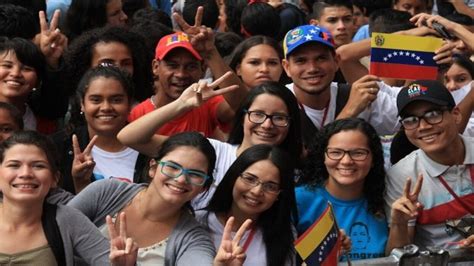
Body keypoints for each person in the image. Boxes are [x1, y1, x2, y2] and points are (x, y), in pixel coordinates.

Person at [68, 132, 250, 265]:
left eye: (195, 174)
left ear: (204, 187)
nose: (181, 179)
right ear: (153, 167)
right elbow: (54, 227)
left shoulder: (194, 239)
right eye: (172, 167)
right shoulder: (108, 191)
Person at [118, 80, 303, 209]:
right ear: (243, 116)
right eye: (258, 114)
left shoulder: (294, 176)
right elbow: (130, 137)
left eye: (279, 118)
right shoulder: (211, 151)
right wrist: (181, 104)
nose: (267, 124)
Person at [0, 130, 136, 265]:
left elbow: (111, 261)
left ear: (55, 179)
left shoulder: (67, 219)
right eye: (14, 165)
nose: (25, 174)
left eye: (38, 166)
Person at [385, 80, 474, 252]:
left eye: (433, 114)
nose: (424, 126)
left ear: (456, 114)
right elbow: (397, 257)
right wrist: (399, 224)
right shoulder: (401, 176)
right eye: (411, 120)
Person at [282, 24, 400, 145]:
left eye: (321, 58)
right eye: (301, 61)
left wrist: (417, 37)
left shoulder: (357, 95)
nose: (312, 68)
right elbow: (300, 159)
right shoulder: (276, 103)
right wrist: (350, 111)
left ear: (336, 61)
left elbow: (410, 115)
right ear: (287, 67)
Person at [296, 118, 387, 261]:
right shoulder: (299, 200)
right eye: (336, 152)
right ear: (323, 157)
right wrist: (325, 248)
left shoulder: (386, 199)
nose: (346, 161)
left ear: (373, 159)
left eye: (358, 153)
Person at [128, 28, 245, 138]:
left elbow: (243, 106)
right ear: (156, 67)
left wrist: (211, 53)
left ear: (203, 69)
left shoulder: (206, 103)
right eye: (172, 66)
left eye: (191, 66)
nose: (181, 74)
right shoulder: (137, 114)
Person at [52, 66, 148, 194]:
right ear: (82, 104)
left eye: (116, 100)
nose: (106, 107)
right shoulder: (58, 148)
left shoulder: (148, 148)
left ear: (130, 104)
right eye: (96, 100)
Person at [197, 144, 297, 265]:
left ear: (279, 195)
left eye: (270, 186)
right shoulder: (198, 222)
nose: (256, 191)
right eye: (250, 179)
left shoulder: (284, 234)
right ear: (233, 177)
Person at [64, 26, 153, 104]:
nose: (118, 69)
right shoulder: (71, 112)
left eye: (126, 63)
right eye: (107, 63)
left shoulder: (147, 110)